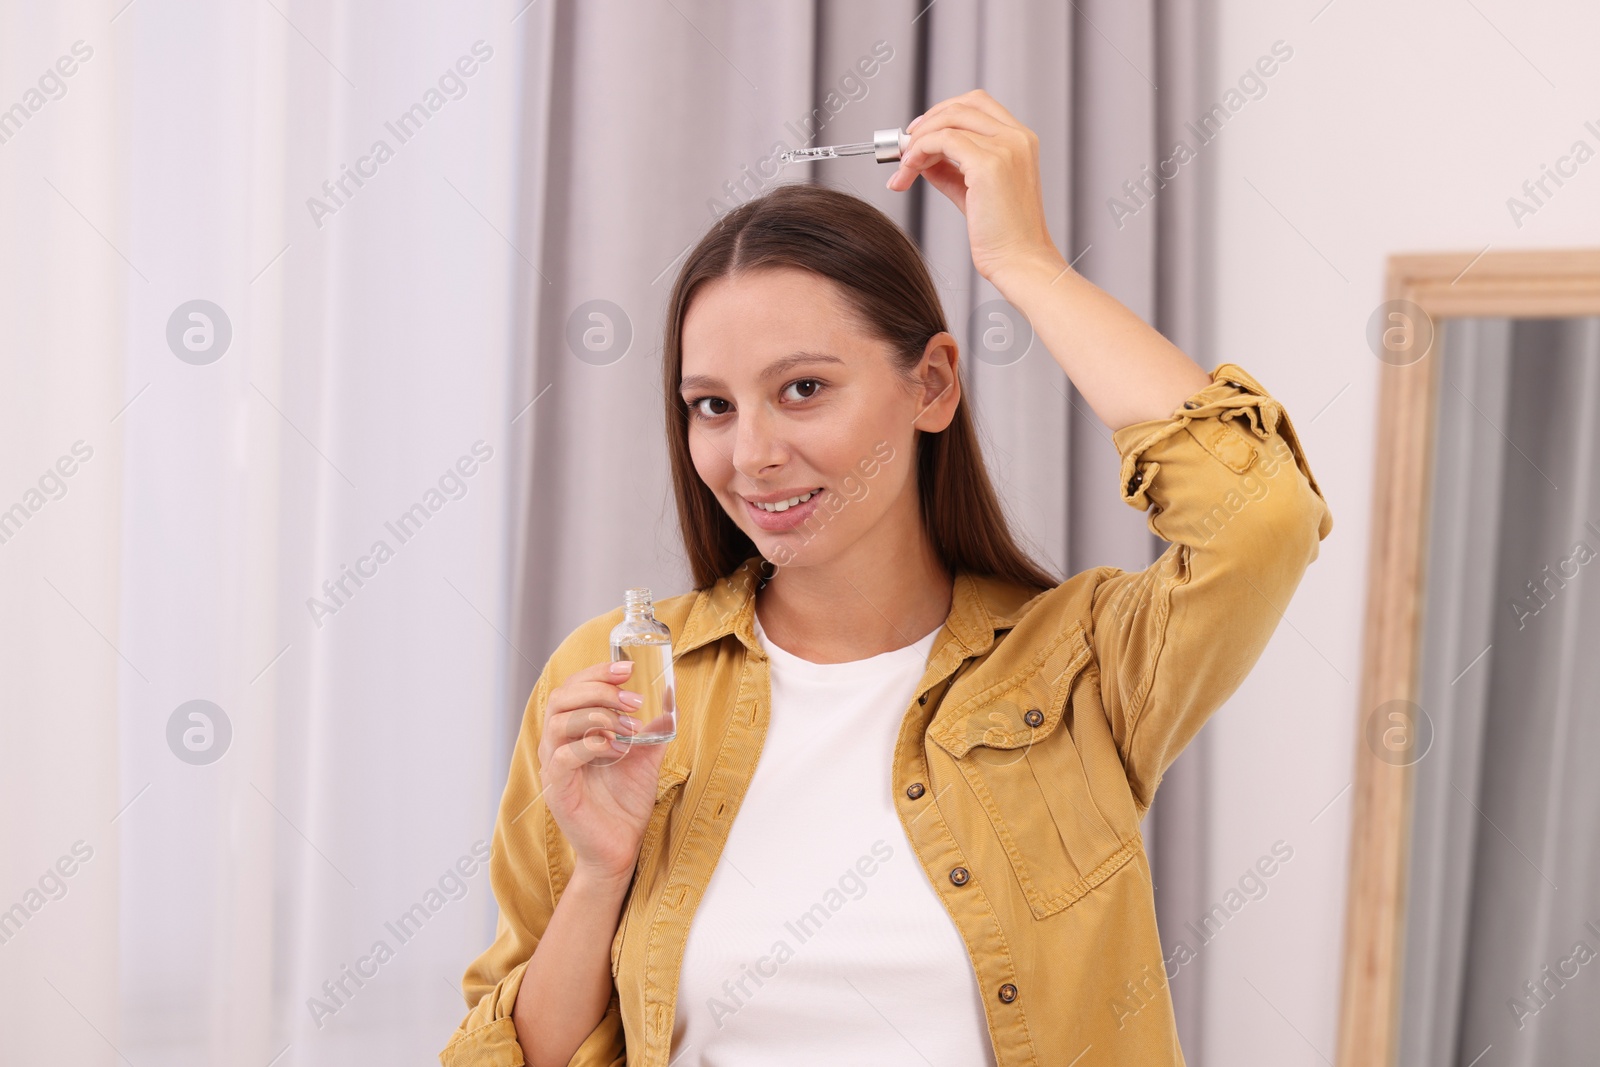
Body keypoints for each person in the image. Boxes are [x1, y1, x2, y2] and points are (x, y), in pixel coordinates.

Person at [441, 89, 1333, 1067]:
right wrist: (601, 869)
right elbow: (506, 1050)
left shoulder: (1079, 670)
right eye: (711, 404)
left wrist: (1022, 261)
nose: (753, 452)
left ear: (933, 383)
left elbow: (1262, 518)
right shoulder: (621, 679)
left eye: (803, 388)